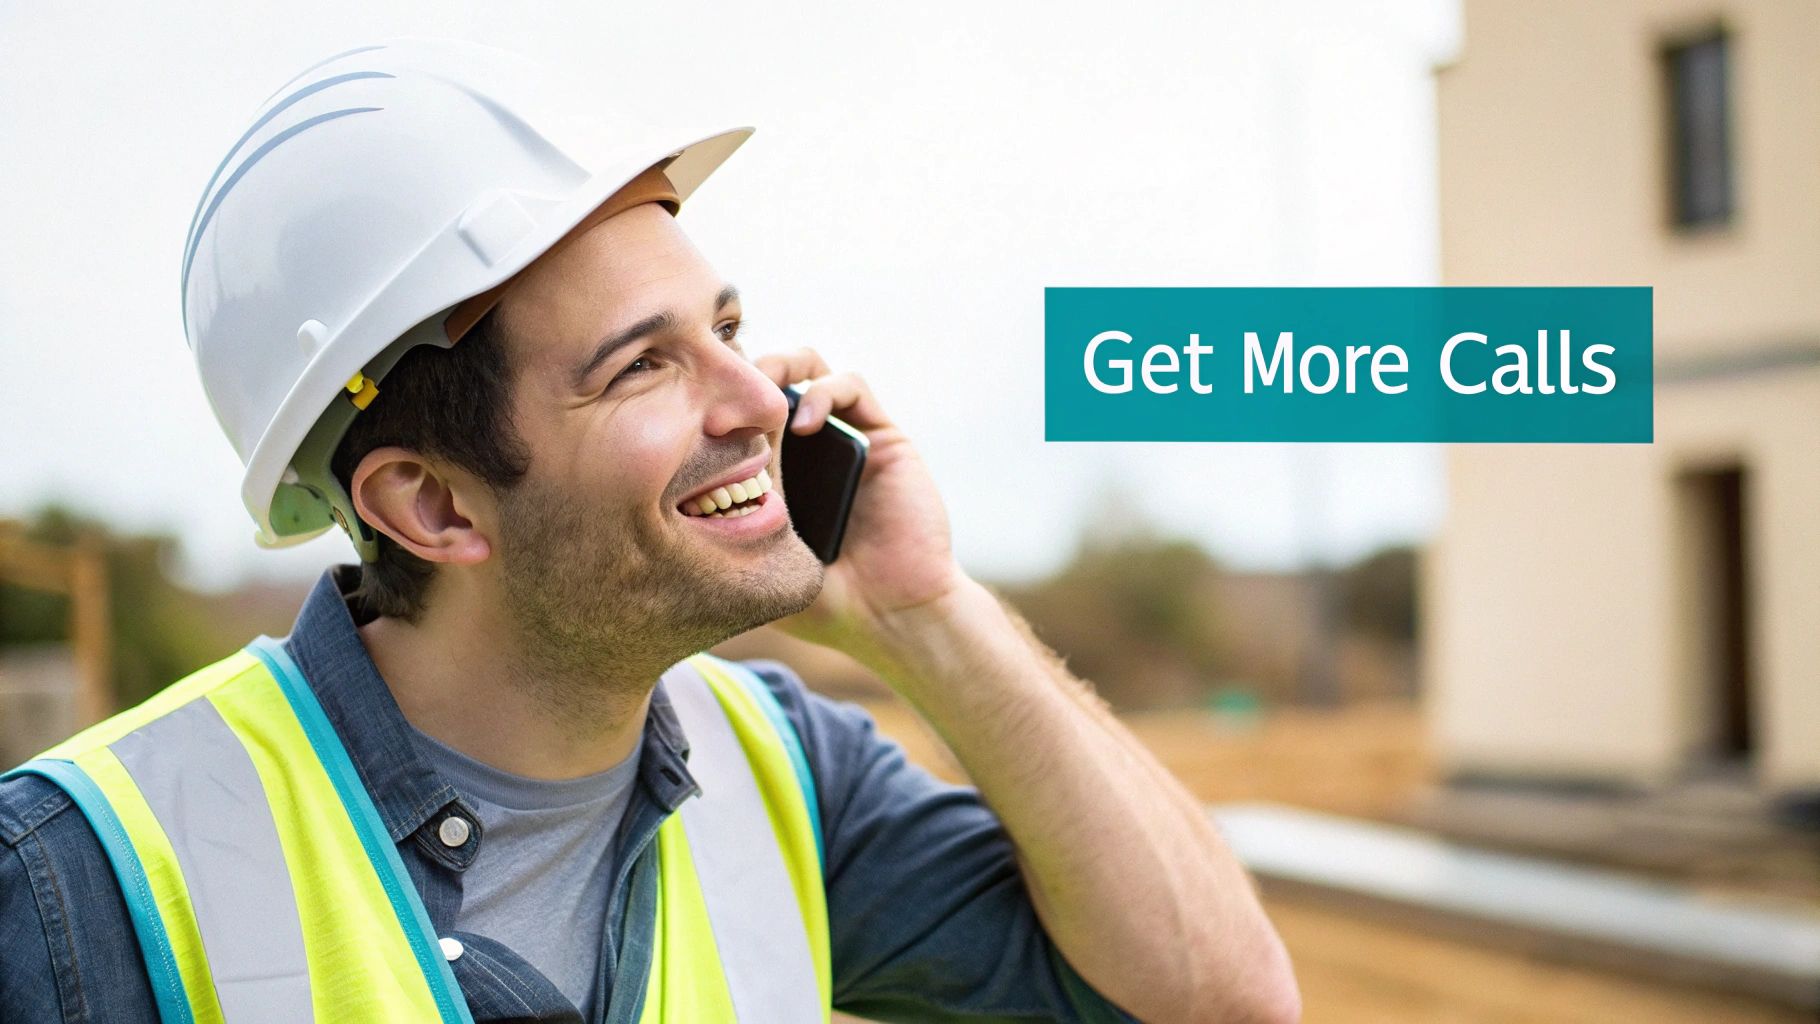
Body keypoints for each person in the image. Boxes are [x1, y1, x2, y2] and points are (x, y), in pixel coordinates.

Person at [0, 39, 1298, 1024]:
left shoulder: (786, 773)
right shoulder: (73, 880)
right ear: (432, 505)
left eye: (725, 330)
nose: (762, 402)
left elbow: (1218, 1002)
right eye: (642, 368)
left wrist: (927, 612)